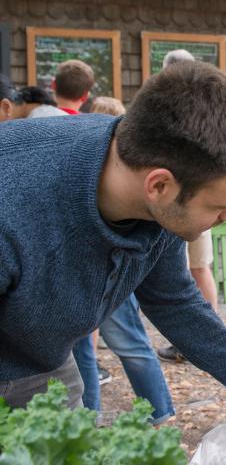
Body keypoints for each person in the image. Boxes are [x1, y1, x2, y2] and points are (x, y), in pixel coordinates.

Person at [0, 60, 226, 414]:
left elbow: (172, 299)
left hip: (44, 361)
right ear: (159, 184)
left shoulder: (156, 188)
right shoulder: (13, 202)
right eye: (221, 206)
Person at [71, 95, 175, 424]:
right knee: (96, 346)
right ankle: (94, 416)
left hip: (109, 272)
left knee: (120, 344)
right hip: (96, 273)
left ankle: (154, 411)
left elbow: (175, 297)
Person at [155, 48, 220, 363]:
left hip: (178, 201)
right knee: (200, 267)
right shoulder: (210, 108)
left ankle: (191, 342)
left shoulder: (166, 110)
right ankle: (210, 335)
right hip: (204, 199)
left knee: (181, 274)